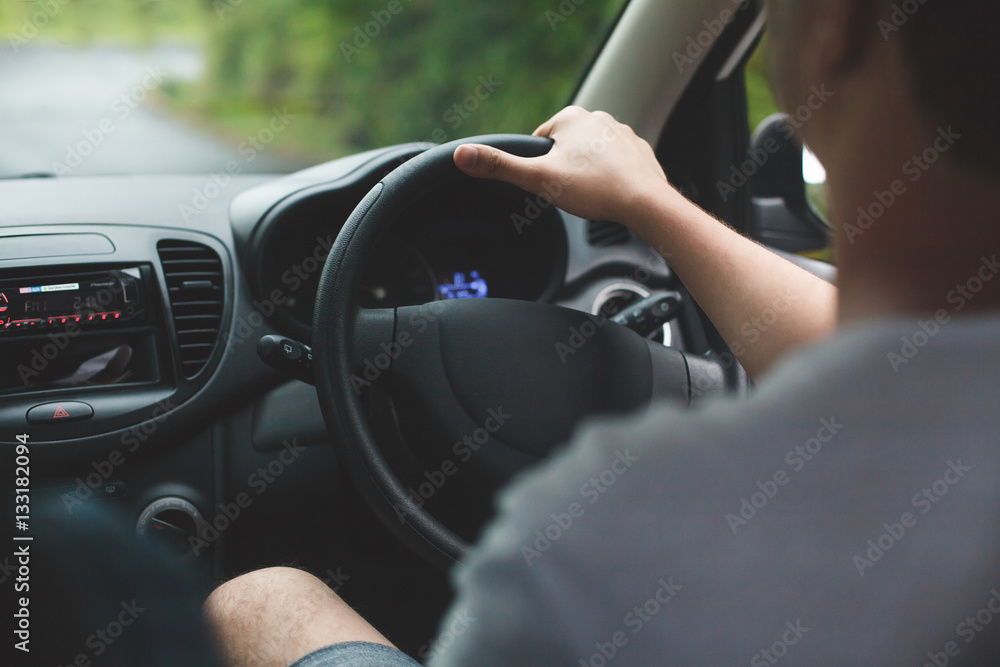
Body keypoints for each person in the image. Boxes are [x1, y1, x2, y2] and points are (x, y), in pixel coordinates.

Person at [203, 0, 1000, 664]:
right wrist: (650, 204)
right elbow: (897, 367)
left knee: (259, 596)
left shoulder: (613, 535)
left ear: (837, 26)